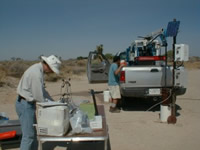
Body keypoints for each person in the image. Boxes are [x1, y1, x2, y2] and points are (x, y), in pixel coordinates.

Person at [15, 55, 61, 150]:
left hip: (27, 104)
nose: (51, 72)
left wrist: (53, 101)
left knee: (33, 134)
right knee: (28, 136)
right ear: (48, 65)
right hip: (25, 105)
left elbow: (43, 91)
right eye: (52, 69)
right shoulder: (36, 74)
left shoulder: (38, 69)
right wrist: (53, 106)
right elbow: (39, 97)